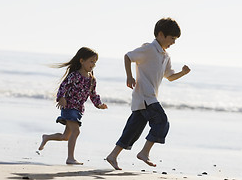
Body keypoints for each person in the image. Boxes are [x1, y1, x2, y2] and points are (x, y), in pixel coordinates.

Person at [106, 18, 191, 170]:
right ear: (160, 34)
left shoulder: (165, 56)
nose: (174, 42)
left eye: (175, 39)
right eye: (172, 38)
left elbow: (170, 77)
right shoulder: (149, 49)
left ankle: (113, 156)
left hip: (145, 98)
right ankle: (144, 152)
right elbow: (128, 56)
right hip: (146, 96)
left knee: (133, 129)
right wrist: (129, 76)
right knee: (162, 121)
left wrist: (183, 73)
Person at [38, 47, 108, 165]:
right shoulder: (74, 75)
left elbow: (93, 94)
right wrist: (61, 98)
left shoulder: (91, 79)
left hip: (79, 110)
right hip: (69, 107)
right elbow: (63, 86)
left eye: (95, 62)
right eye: (91, 61)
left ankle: (47, 137)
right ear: (82, 61)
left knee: (66, 136)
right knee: (76, 132)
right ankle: (70, 158)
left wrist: (99, 104)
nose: (93, 64)